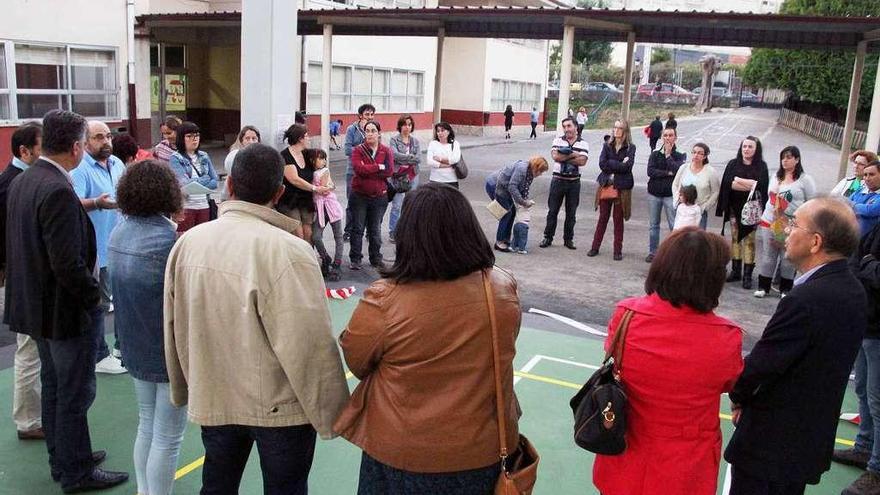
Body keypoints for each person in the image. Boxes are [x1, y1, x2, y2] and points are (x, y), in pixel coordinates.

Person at [164, 143, 349, 495]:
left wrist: (183, 386)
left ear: (229, 185)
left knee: (217, 484)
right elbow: (308, 343)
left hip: (214, 393)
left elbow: (173, 323)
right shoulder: (289, 251)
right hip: (280, 408)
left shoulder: (188, 243)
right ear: (279, 192)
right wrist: (333, 412)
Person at [334, 183, 521, 494]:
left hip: (401, 451)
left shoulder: (386, 298)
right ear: (468, 228)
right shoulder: (501, 288)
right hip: (481, 450)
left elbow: (358, 361)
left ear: (409, 233)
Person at [4, 109, 129, 491]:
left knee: (56, 387)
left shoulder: (25, 180)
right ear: (77, 147)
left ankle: (65, 456)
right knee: (74, 392)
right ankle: (75, 471)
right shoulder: (57, 189)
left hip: (36, 307)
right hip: (62, 312)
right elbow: (67, 263)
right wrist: (95, 300)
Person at [725, 198, 866, 495]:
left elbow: (764, 363)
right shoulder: (853, 290)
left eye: (794, 224)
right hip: (806, 442)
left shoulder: (806, 299)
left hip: (771, 446)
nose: (786, 231)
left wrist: (739, 396)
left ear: (815, 242)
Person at [592, 228, 743, 495]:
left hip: (626, 457)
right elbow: (731, 382)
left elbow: (615, 355)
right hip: (685, 469)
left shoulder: (626, 316)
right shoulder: (725, 337)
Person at [108, 160, 187, 495]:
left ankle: (145, 491)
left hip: (133, 343)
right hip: (168, 351)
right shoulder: (170, 241)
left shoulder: (119, 232)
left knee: (147, 424)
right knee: (168, 437)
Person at [72, 120, 128, 375]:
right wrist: (96, 202)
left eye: (108, 136)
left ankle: (120, 347)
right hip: (96, 250)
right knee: (100, 305)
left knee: (121, 299)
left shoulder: (117, 163)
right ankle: (98, 355)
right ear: (84, 143)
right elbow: (71, 203)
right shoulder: (80, 168)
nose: (106, 142)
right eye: (98, 137)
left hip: (120, 244)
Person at [1, 123, 44, 441]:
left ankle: (34, 416)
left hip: (27, 279)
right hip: (24, 280)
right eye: (43, 146)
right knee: (28, 351)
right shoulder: (12, 185)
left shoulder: (26, 180)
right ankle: (28, 420)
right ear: (24, 151)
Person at [840, 213, 880, 493]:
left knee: (878, 400)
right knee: (864, 391)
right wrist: (867, 264)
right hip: (869, 322)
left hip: (878, 328)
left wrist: (868, 264)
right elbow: (859, 259)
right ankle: (864, 447)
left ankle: (877, 470)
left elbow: (873, 270)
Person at [754, 146, 817, 298]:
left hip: (791, 224)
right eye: (783, 157)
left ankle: (785, 288)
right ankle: (763, 286)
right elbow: (769, 196)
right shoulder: (776, 176)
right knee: (769, 255)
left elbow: (811, 201)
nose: (785, 161)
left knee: (787, 256)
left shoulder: (805, 179)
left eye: (789, 157)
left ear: (797, 159)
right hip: (770, 221)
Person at [716, 136, 769, 290]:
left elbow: (760, 186)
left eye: (750, 147)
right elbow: (728, 184)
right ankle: (736, 271)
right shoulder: (733, 164)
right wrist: (750, 184)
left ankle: (747, 275)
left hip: (752, 211)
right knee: (735, 240)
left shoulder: (761, 166)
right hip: (734, 208)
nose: (746, 149)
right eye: (744, 146)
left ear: (756, 149)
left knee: (749, 241)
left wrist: (739, 180)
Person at [589, 119, 636, 260]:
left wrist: (613, 164)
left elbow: (628, 167)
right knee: (602, 218)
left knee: (618, 219)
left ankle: (617, 250)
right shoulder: (607, 145)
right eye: (615, 127)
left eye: (620, 128)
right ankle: (594, 247)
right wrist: (619, 163)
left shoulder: (630, 148)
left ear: (625, 130)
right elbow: (602, 164)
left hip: (622, 188)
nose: (616, 130)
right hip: (606, 185)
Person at [349, 121, 393, 270]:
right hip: (359, 196)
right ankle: (355, 259)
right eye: (367, 130)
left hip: (379, 197)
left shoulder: (386, 151)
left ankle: (375, 257)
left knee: (375, 230)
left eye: (373, 130)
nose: (370, 133)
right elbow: (358, 169)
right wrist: (377, 167)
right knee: (358, 228)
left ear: (379, 133)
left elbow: (389, 171)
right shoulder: (358, 150)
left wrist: (370, 169)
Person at [539, 117, 588, 250]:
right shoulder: (557, 140)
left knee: (571, 213)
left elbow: (583, 161)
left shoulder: (583, 143)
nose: (566, 129)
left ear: (576, 127)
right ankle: (547, 237)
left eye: (569, 126)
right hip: (558, 181)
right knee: (552, 211)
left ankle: (568, 239)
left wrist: (565, 157)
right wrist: (574, 154)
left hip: (574, 183)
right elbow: (556, 157)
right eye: (564, 127)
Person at [485, 157, 549, 253]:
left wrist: (525, 201)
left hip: (503, 186)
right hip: (494, 184)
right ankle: (499, 242)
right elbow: (512, 187)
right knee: (506, 213)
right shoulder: (522, 169)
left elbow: (524, 189)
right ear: (536, 167)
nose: (541, 174)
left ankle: (505, 239)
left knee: (512, 212)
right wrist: (523, 202)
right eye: (541, 171)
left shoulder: (529, 172)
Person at [645, 126, 686, 262]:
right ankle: (653, 252)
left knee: (673, 225)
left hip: (670, 195)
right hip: (654, 194)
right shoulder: (655, 153)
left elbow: (679, 171)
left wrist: (668, 156)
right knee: (653, 225)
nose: (668, 138)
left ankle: (673, 253)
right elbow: (650, 172)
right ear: (662, 137)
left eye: (670, 135)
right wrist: (667, 173)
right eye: (665, 135)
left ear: (675, 137)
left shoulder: (680, 154)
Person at [168, 121, 218, 232]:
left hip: (204, 205)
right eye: (189, 136)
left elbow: (215, 182)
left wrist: (197, 183)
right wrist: (205, 179)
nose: (194, 139)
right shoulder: (176, 158)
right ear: (181, 138)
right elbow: (186, 184)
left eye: (197, 136)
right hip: (186, 206)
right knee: (185, 237)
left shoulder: (204, 156)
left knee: (202, 238)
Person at [279, 124, 326, 242]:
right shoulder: (285, 156)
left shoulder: (307, 154)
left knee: (308, 233)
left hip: (306, 199)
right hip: (289, 200)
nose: (309, 138)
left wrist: (327, 183)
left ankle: (309, 258)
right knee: (298, 233)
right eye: (306, 136)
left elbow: (321, 166)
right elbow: (294, 179)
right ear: (300, 138)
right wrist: (315, 188)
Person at [309, 148, 344, 282]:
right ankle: (325, 257)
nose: (323, 161)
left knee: (338, 236)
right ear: (312, 160)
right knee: (316, 236)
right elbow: (324, 188)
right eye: (320, 158)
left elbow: (324, 189)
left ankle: (337, 263)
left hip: (331, 206)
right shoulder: (311, 172)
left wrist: (324, 188)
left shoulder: (324, 171)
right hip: (319, 208)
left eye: (324, 158)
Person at [344, 103, 376, 241]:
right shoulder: (352, 129)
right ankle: (348, 230)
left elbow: (378, 149)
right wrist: (363, 151)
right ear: (360, 115)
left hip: (370, 172)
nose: (370, 117)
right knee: (352, 202)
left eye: (372, 114)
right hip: (353, 171)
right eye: (367, 114)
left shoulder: (375, 129)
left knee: (370, 202)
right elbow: (347, 150)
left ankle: (369, 231)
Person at [387, 114, 422, 242]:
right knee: (397, 204)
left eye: (409, 124)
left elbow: (419, 158)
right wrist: (410, 158)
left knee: (411, 203)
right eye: (404, 124)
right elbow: (394, 156)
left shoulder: (415, 141)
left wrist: (407, 159)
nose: (406, 127)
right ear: (400, 126)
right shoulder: (394, 140)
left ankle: (408, 230)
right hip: (398, 176)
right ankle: (393, 231)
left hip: (412, 175)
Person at [671, 142, 719, 230]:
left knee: (697, 240)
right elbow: (675, 184)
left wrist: (704, 207)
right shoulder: (684, 168)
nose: (696, 155)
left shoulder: (710, 172)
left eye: (700, 153)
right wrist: (676, 199)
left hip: (698, 211)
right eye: (694, 152)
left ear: (705, 156)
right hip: (682, 209)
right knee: (680, 238)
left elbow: (715, 192)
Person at [426, 122, 462, 188]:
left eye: (442, 130)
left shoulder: (455, 144)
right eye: (438, 131)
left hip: (451, 180)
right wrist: (444, 165)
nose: (440, 133)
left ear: (448, 132)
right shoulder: (433, 144)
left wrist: (439, 159)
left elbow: (455, 159)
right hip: (435, 179)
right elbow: (429, 161)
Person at [850, 161, 880, 237]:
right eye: (865, 175)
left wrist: (852, 205)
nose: (867, 178)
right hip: (849, 236)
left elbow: (870, 210)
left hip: (869, 243)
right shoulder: (860, 190)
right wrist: (863, 207)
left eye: (871, 174)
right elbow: (845, 203)